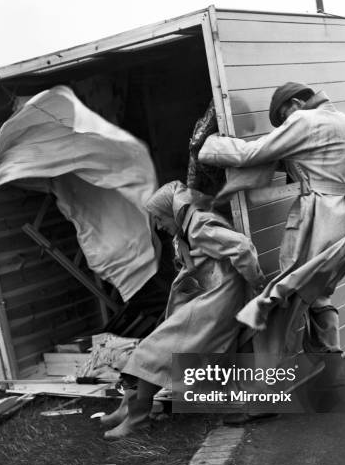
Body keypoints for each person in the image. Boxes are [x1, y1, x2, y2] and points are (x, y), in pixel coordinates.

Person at [198, 82, 345, 370]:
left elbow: (249, 154)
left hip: (324, 227)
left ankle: (265, 398)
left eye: (284, 118)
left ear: (296, 103)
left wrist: (209, 144)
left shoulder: (305, 120)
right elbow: (310, 162)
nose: (286, 125)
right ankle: (329, 368)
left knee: (280, 307)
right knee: (318, 296)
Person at [102, 180, 266, 439]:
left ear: (171, 211)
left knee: (153, 350)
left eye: (158, 217)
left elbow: (243, 247)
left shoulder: (198, 225)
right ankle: (129, 410)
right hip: (213, 298)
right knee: (155, 347)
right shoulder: (189, 228)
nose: (157, 225)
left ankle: (138, 418)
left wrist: (256, 284)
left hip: (218, 302)